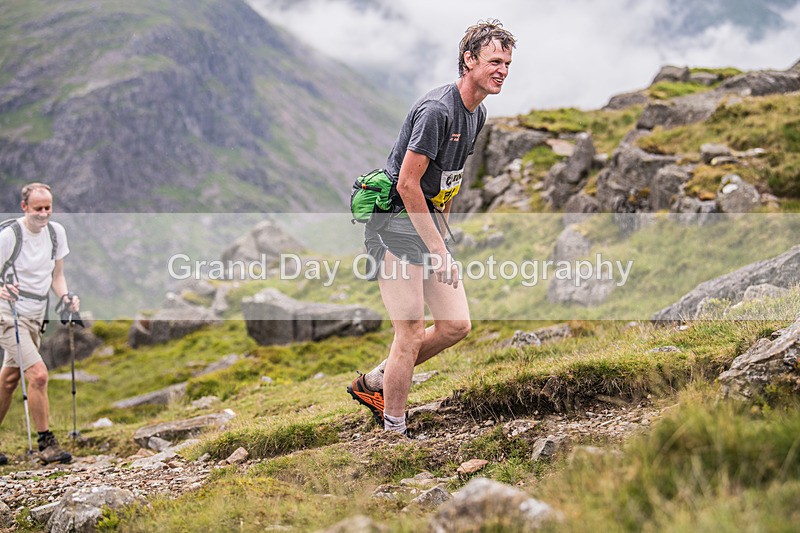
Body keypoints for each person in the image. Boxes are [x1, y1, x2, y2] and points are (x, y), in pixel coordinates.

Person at [348, 20, 515, 435]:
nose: (503, 70)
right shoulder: (438, 111)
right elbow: (407, 183)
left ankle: (374, 383)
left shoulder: (477, 114)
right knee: (407, 333)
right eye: (495, 61)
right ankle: (395, 429)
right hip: (392, 226)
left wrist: (444, 241)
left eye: (508, 63)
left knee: (456, 326)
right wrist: (437, 249)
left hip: (426, 227)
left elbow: (446, 182)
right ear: (469, 59)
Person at [0, 183, 79, 464]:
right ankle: (47, 444)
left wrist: (66, 296)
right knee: (39, 374)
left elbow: (56, 276)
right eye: (38, 209)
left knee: (9, 379)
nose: (44, 214)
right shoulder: (10, 235)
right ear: (25, 207)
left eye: (48, 208)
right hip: (7, 315)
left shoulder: (57, 234)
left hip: (36, 314)